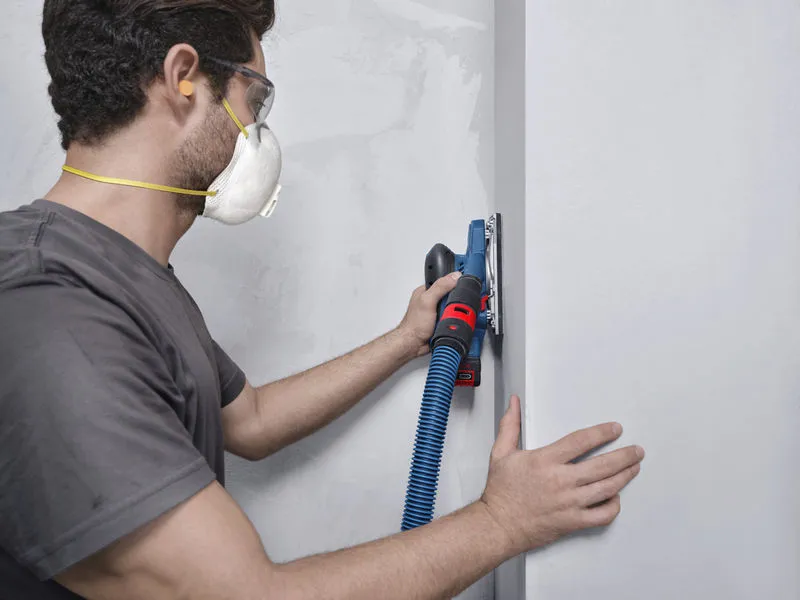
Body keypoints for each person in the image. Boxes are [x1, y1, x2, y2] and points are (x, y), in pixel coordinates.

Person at [0, 2, 645, 598]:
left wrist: (406, 339)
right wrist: (503, 522)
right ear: (183, 78)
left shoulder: (123, 273)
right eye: (254, 96)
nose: (257, 128)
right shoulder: (51, 304)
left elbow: (249, 420)